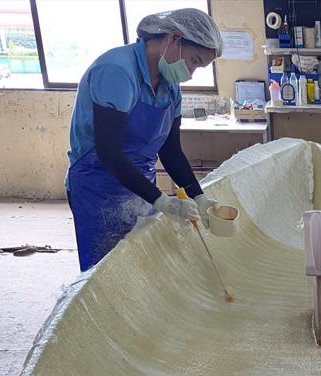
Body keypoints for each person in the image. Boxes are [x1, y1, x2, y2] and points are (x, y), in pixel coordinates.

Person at [65, 8, 223, 271]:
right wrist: (161, 200)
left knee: (140, 268)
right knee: (105, 273)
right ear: (174, 38)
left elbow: (171, 152)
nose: (192, 72)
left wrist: (199, 198)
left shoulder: (170, 85)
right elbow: (109, 152)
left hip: (139, 183)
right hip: (97, 185)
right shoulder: (117, 71)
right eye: (194, 61)